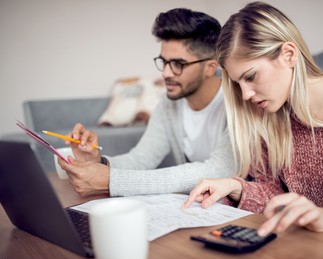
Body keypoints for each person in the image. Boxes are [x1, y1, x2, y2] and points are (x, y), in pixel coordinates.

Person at [184, 1, 323, 247]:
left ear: (289, 55)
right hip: (304, 247)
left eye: (250, 76)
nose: (246, 94)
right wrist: (235, 187)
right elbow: (276, 195)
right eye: (238, 83)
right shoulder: (269, 112)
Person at [58, 8, 235, 197]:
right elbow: (142, 159)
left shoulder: (236, 105)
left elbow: (217, 171)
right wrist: (99, 162)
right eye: (164, 61)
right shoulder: (169, 105)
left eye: (178, 64)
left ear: (210, 67)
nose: (166, 73)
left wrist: (112, 181)